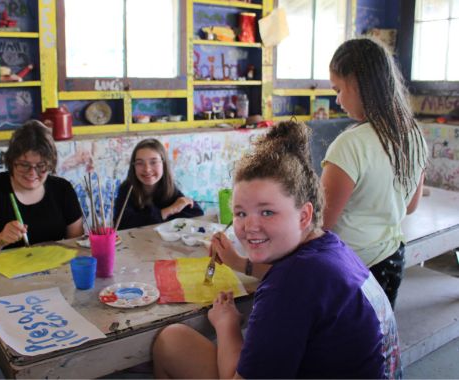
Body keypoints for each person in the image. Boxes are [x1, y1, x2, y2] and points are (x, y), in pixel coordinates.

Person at [152, 121, 401, 379]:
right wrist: (238, 263)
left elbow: (291, 287)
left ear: (304, 215)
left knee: (171, 341)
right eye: (240, 213)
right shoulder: (330, 247)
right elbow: (301, 283)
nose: (249, 226)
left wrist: (227, 325)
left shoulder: (288, 287)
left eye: (267, 212)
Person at [321, 37, 428, 307]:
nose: (337, 100)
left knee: (345, 344)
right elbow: (411, 205)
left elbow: (321, 224)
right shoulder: (413, 135)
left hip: (352, 266)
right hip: (391, 259)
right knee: (376, 339)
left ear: (356, 83)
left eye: (338, 89)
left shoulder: (350, 144)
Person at [0, 120, 84, 256]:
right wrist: (0, 239)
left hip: (53, 271)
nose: (32, 172)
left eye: (41, 166)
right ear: (11, 161)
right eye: (24, 165)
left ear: (51, 164)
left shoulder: (62, 189)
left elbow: (76, 244)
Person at [114, 138, 203, 230]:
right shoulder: (126, 189)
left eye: (153, 162)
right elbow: (122, 225)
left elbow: (197, 214)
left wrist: (145, 219)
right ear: (134, 167)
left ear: (163, 164)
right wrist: (168, 211)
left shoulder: (169, 187)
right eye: (140, 163)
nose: (147, 169)